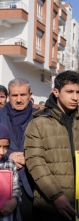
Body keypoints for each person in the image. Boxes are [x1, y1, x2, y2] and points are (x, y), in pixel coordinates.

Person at [25, 71, 79, 221]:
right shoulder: (38, 123)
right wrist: (56, 196)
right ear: (56, 92)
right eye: (69, 92)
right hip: (50, 206)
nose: (75, 97)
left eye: (78, 92)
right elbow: (35, 162)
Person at [0, 78, 36, 220]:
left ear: (30, 95)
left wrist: (26, 156)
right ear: (9, 96)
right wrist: (8, 156)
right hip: (3, 184)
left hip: (32, 184)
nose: (19, 99)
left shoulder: (40, 117)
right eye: (14, 95)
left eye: (23, 95)